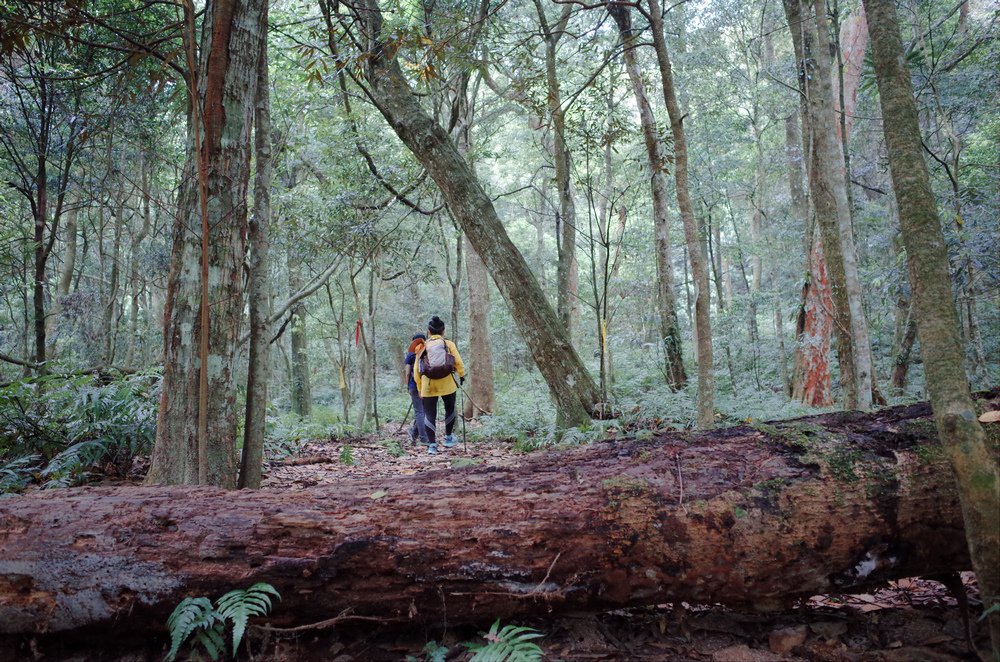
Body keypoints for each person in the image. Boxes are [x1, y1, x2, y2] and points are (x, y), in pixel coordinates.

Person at [414, 315, 465, 454]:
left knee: (429, 414)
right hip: (447, 383)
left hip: (428, 385)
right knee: (450, 409)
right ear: (443, 331)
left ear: (429, 331)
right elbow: (458, 362)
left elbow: (416, 371)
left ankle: (432, 445)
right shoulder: (448, 344)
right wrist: (461, 375)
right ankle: (448, 438)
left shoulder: (422, 347)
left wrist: (419, 388)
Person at [403, 333, 429, 445]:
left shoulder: (411, 355)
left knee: (419, 412)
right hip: (428, 385)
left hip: (414, 385)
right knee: (425, 412)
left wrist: (407, 385)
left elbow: (408, 372)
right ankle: (414, 434)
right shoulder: (428, 352)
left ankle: (423, 438)